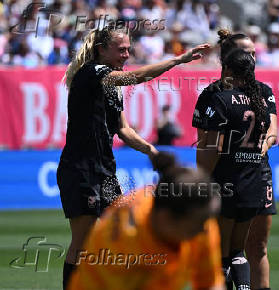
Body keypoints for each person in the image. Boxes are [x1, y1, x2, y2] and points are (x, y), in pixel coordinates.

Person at [58, 26, 210, 289]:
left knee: (116, 237)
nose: (127, 55)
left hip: (104, 171)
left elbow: (124, 129)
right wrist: (177, 60)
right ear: (101, 50)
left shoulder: (111, 84)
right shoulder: (94, 73)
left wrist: (151, 150)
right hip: (80, 169)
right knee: (83, 242)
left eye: (128, 49)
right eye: (121, 49)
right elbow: (136, 77)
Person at [192, 29, 277, 290]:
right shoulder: (224, 95)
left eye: (253, 52)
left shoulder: (242, 94)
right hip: (249, 177)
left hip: (237, 178)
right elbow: (204, 139)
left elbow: (211, 146)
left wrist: (201, 178)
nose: (252, 57)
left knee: (238, 249)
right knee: (237, 250)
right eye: (246, 52)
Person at [68, 152, 224, 290]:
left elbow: (211, 283)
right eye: (198, 224)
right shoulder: (123, 243)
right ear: (166, 218)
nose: (205, 230)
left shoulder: (200, 219)